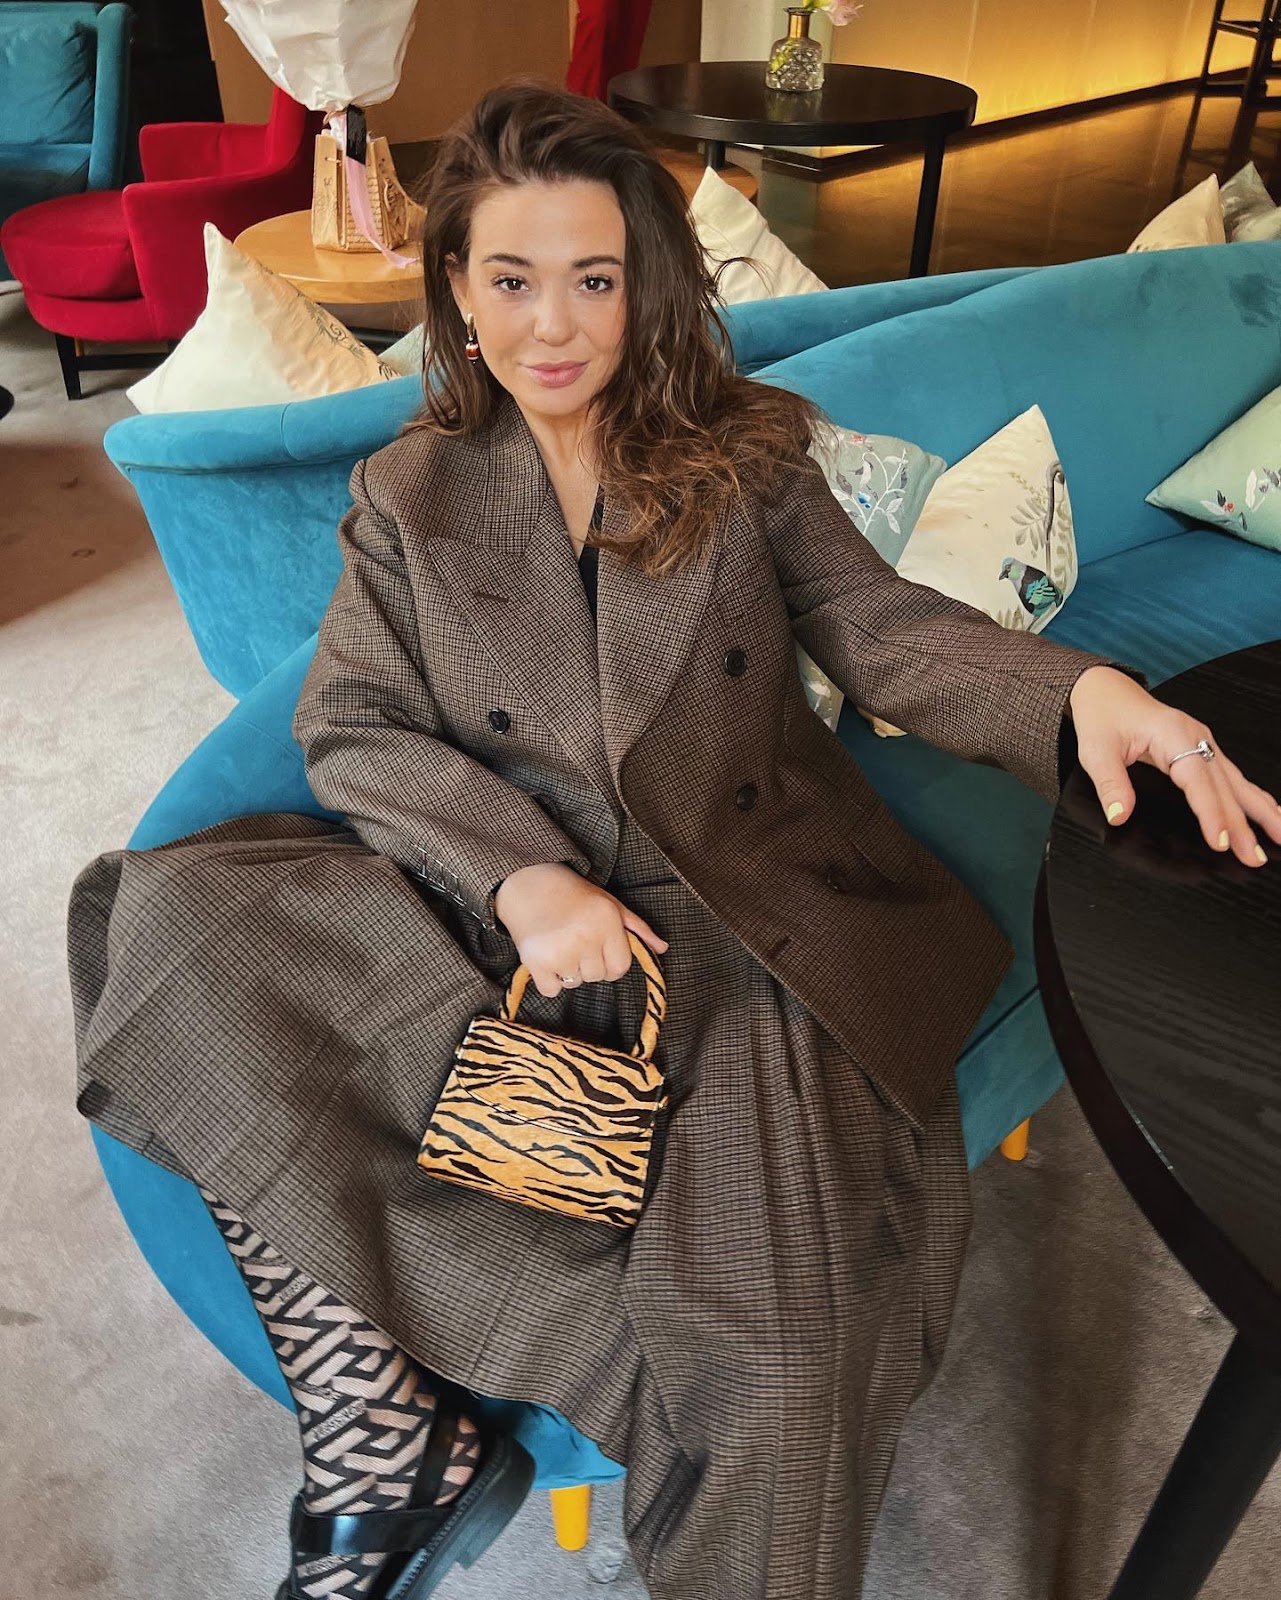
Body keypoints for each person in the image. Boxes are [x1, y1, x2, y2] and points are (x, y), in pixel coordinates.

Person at [68, 80, 1281, 1600]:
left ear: (645, 286)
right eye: (512, 279)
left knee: (778, 1362)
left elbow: (883, 629)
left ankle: (528, 1416)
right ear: (458, 291)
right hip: (514, 929)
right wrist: (520, 872)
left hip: (743, 922)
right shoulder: (409, 492)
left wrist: (1083, 691)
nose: (553, 326)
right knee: (159, 914)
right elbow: (357, 726)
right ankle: (389, 1430)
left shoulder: (747, 451)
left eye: (595, 279)